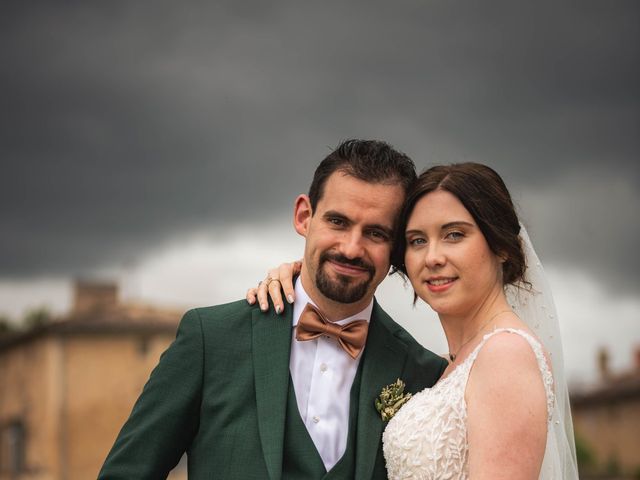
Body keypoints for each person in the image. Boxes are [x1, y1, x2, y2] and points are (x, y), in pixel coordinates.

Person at [98, 139, 447, 479]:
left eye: (375, 233)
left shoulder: (424, 374)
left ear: (397, 247)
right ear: (304, 216)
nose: (352, 248)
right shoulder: (211, 339)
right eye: (338, 222)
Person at [252, 163, 579, 479]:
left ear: (502, 246)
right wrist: (303, 274)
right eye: (417, 240)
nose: (433, 257)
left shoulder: (506, 354)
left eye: (454, 234)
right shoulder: (447, 366)